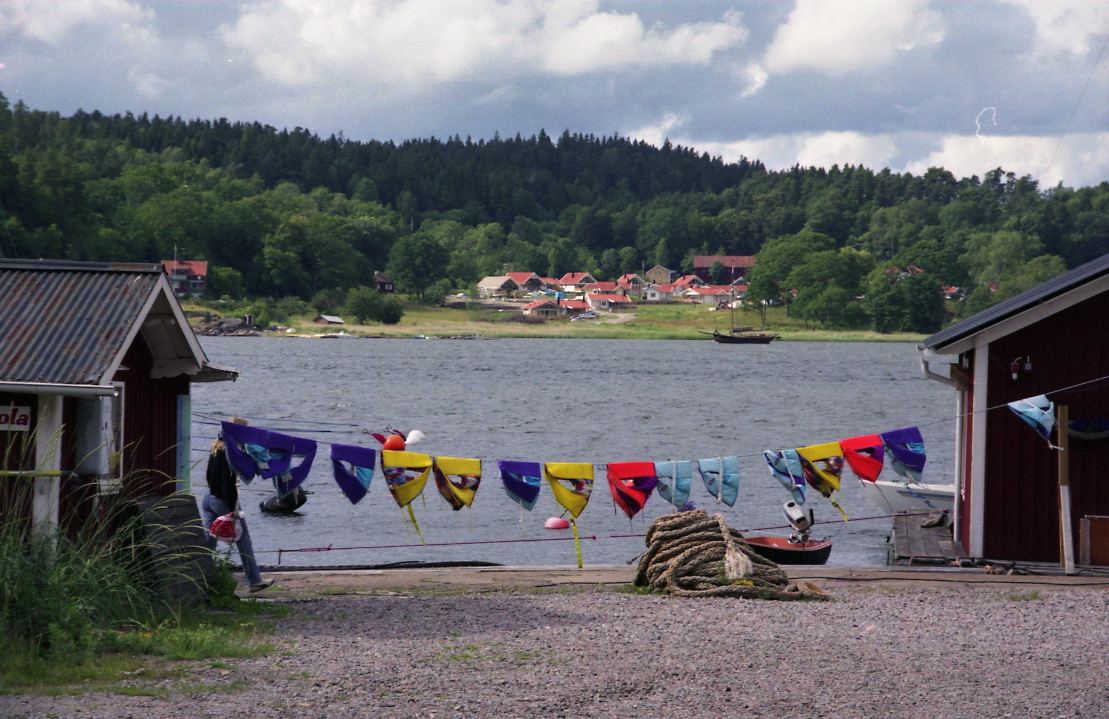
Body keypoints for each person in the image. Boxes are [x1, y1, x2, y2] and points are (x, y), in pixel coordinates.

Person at [201, 416, 274, 593]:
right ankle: (254, 580)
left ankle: (200, 578)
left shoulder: (216, 447)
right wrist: (233, 509)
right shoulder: (230, 453)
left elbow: (209, 475)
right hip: (223, 502)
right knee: (243, 540)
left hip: (208, 497)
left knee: (208, 541)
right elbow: (229, 482)